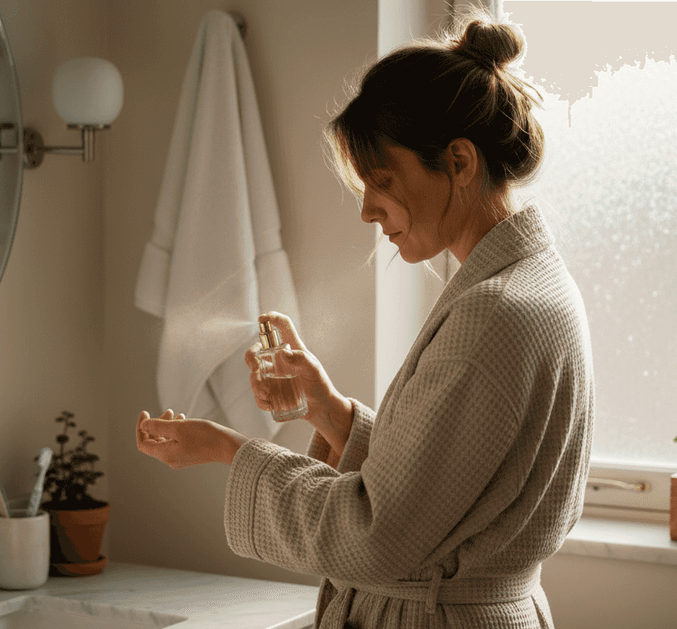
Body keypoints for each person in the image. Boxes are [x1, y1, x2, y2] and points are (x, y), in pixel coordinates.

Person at [137, 11, 594, 629]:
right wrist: (333, 412)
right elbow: (446, 490)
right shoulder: (528, 284)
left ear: (458, 162)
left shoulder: (493, 312)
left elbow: (378, 535)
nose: (368, 212)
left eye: (382, 180)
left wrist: (227, 449)